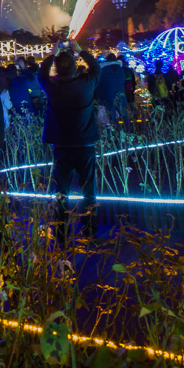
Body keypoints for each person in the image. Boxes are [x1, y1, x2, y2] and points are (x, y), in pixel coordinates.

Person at [38, 39, 101, 241]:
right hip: (85, 145)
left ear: (57, 67)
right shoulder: (87, 83)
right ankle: (89, 231)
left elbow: (41, 73)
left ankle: (61, 234)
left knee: (61, 192)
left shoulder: (51, 86)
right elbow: (96, 67)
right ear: (75, 67)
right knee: (88, 192)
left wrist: (52, 53)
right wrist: (79, 50)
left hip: (61, 146)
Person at [94, 53, 127, 121]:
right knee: (124, 116)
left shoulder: (102, 71)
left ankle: (116, 130)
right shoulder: (121, 70)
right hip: (120, 96)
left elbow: (96, 85)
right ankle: (128, 130)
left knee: (112, 119)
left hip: (108, 97)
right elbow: (123, 81)